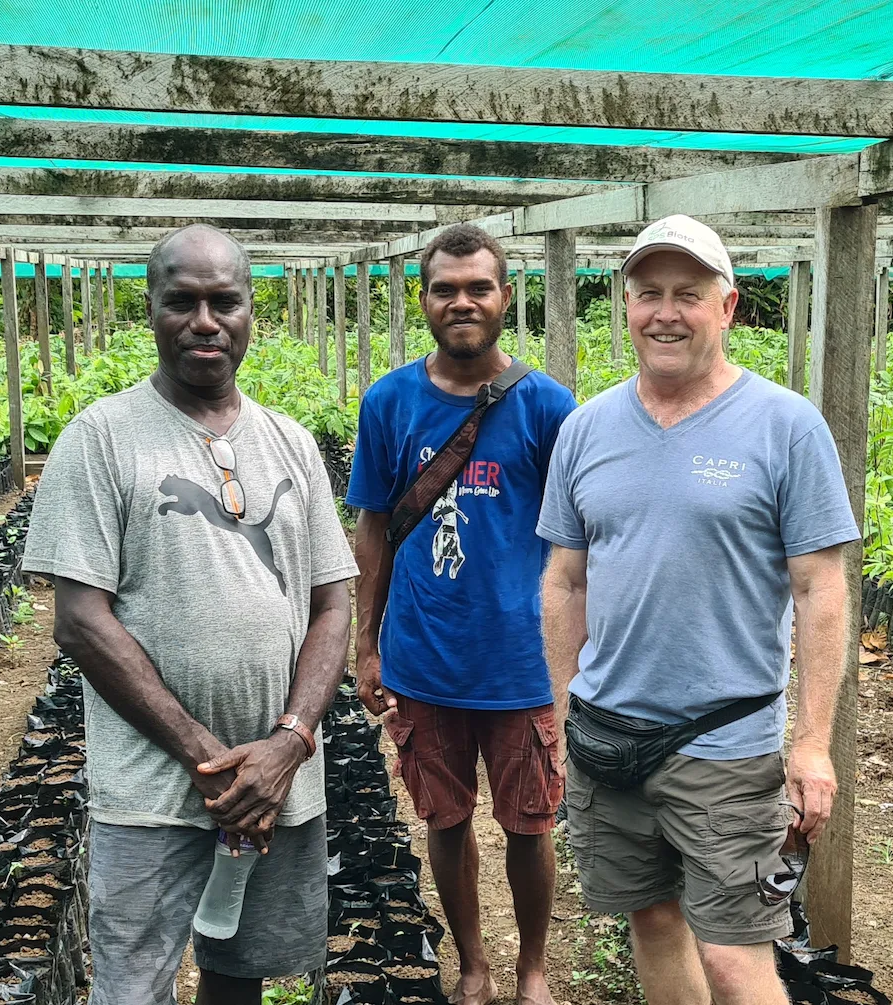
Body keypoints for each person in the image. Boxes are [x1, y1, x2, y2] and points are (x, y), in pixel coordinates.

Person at [22, 224, 357, 1005]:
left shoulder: (290, 443)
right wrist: (212, 760)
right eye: (182, 301)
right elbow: (80, 620)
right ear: (151, 309)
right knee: (133, 982)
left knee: (239, 973)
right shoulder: (102, 439)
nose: (204, 320)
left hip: (279, 784)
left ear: (249, 313)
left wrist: (284, 745)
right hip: (153, 792)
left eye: (223, 301)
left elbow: (332, 604)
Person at [538, 215, 861, 1005]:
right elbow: (565, 581)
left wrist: (812, 744)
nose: (665, 312)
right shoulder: (585, 429)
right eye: (647, 293)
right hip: (607, 739)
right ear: (625, 305)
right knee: (650, 920)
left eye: (688, 293)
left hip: (725, 743)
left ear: (728, 307)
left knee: (734, 953)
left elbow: (822, 588)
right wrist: (556, 714)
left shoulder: (784, 425)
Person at [348, 224, 576, 1005]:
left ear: (505, 296)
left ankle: (533, 968)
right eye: (445, 288)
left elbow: (575, 542)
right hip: (423, 654)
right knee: (443, 819)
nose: (462, 301)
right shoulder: (389, 401)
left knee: (529, 824)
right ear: (423, 301)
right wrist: (365, 645)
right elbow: (375, 525)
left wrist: (576, 657)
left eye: (478, 286)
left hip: (521, 660)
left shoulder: (547, 406)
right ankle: (473, 961)